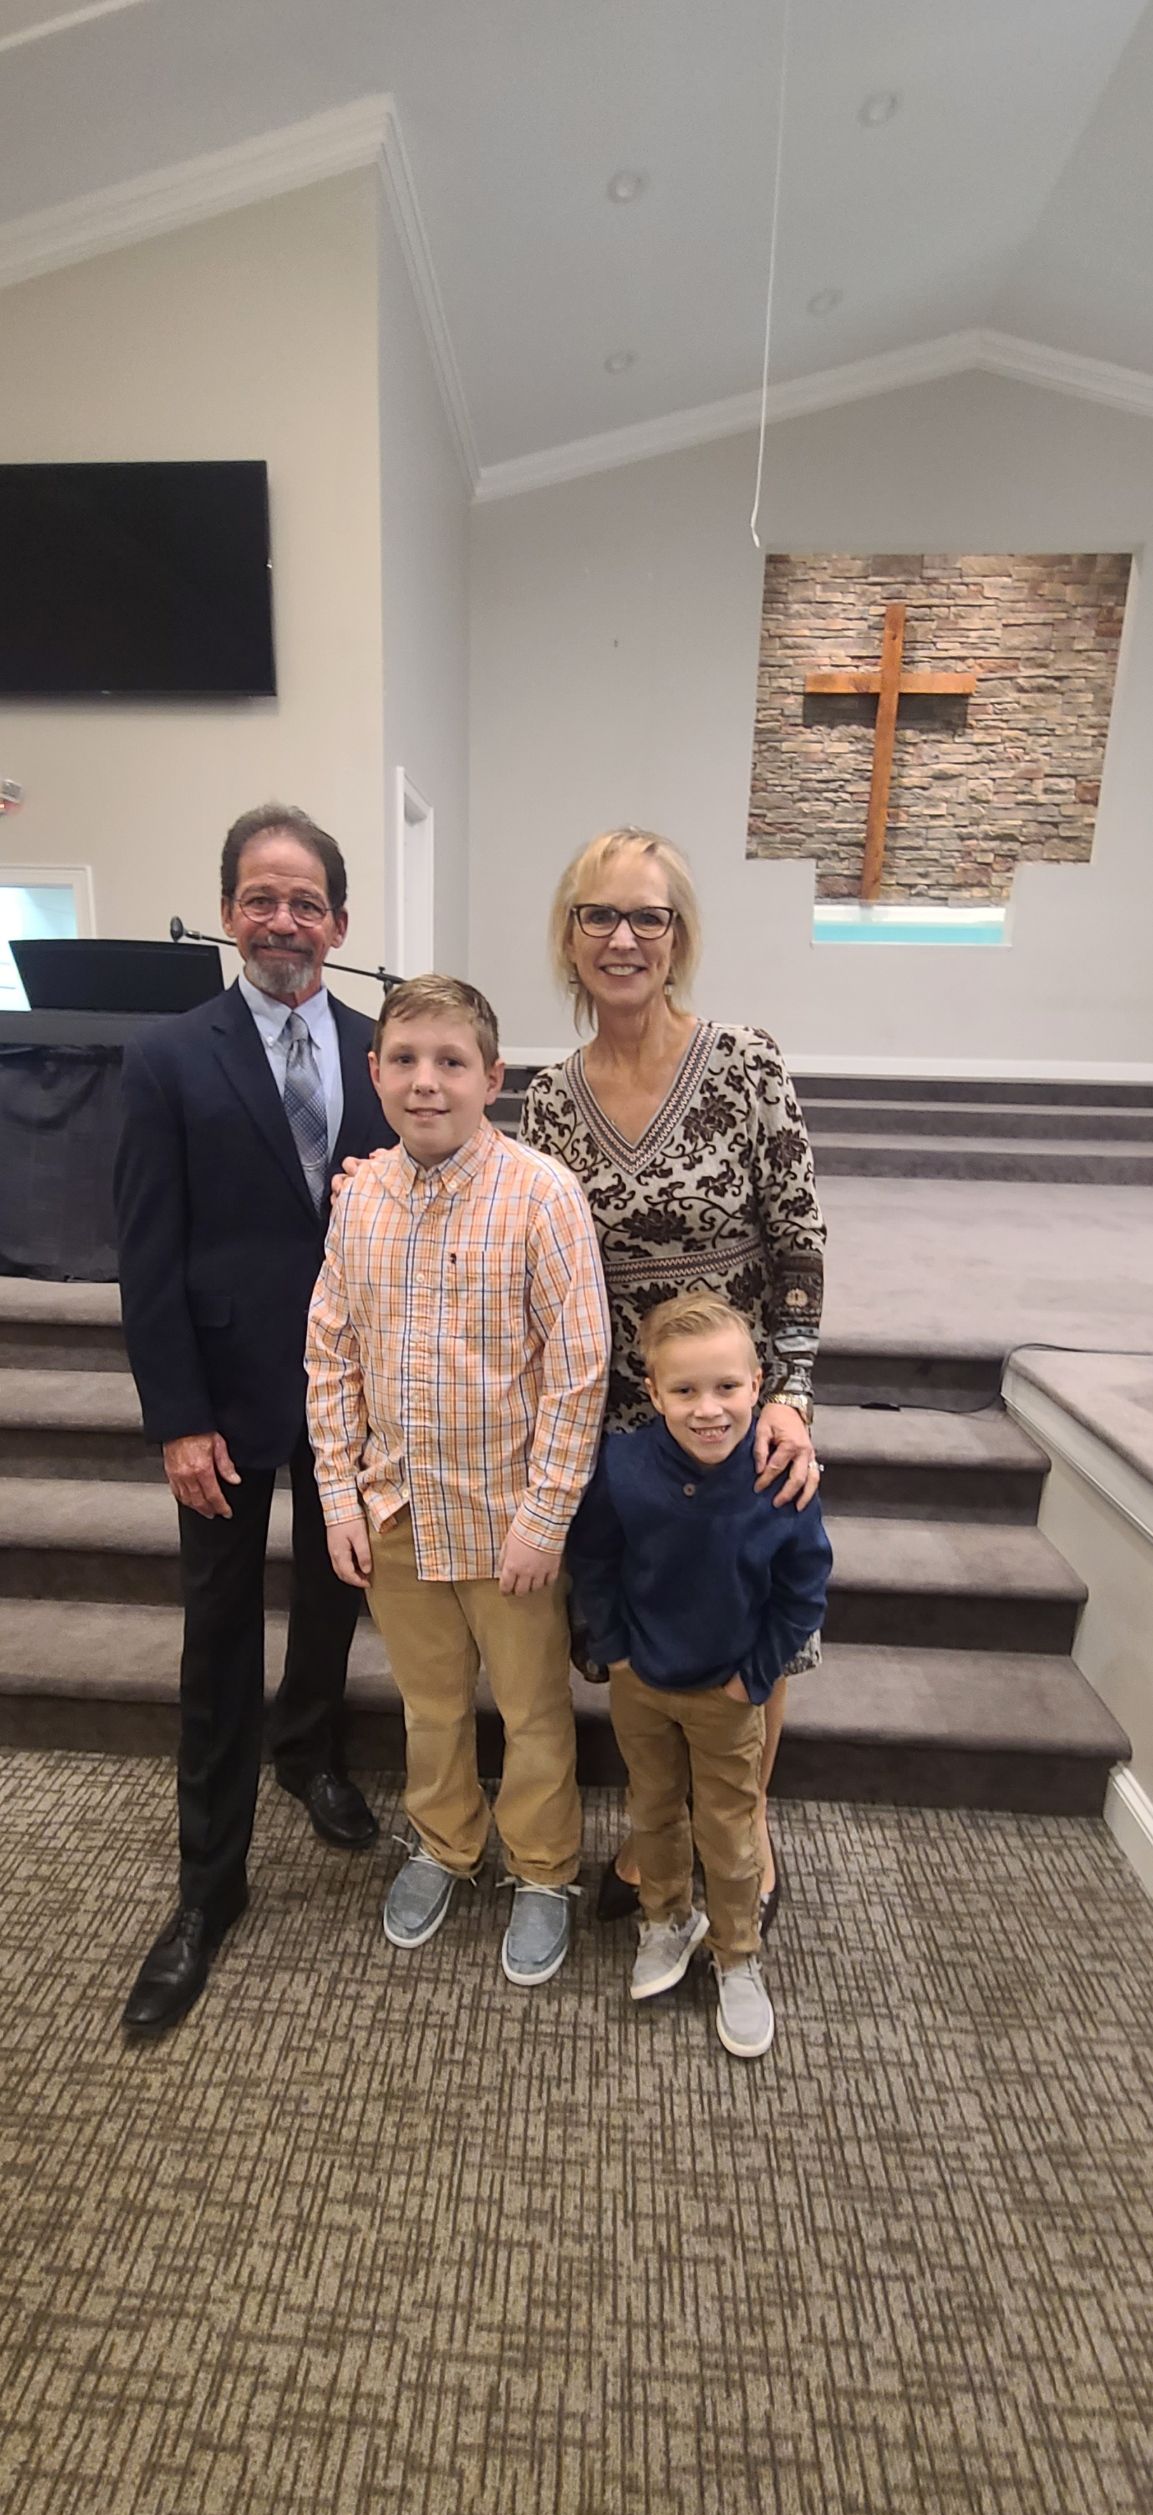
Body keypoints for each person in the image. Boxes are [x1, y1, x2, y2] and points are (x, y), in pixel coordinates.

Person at [114, 803, 396, 2038]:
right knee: (218, 1629)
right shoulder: (168, 1056)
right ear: (229, 911)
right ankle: (206, 1887)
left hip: (353, 1396)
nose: (282, 920)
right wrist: (175, 1417)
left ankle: (308, 1750)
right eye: (258, 897)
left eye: (305, 900)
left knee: (335, 1597)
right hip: (222, 1400)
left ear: (339, 920)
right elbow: (146, 1251)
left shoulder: (389, 1051)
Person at [520, 828, 826, 1930]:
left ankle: (740, 1828)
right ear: (569, 936)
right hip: (621, 1420)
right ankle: (663, 1832)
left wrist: (788, 1395)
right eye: (600, 914)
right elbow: (532, 1250)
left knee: (748, 1612)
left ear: (678, 936)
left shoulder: (745, 1061)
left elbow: (799, 1245)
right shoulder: (551, 1098)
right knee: (653, 1629)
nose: (623, 936)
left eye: (647, 916)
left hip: (735, 1407)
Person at [305, 973, 611, 1989]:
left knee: (528, 1711)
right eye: (404, 1060)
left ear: (493, 1077)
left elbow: (577, 1371)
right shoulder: (359, 1199)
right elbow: (330, 1356)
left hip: (508, 1518)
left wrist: (546, 1515)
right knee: (429, 1706)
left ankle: (543, 1868)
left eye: (449, 1062)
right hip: (398, 1510)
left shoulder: (541, 1195)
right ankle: (446, 1842)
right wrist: (340, 1498)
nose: (425, 1082)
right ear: (374, 1073)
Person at [568, 1291, 831, 2058]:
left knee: (728, 1829)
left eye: (726, 1388)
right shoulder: (622, 1467)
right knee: (650, 1811)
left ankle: (737, 1954)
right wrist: (615, 1651)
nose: (707, 1409)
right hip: (641, 1681)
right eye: (683, 1390)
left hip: (727, 1692)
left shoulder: (778, 1478)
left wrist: (753, 1678)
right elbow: (594, 1561)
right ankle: (665, 1919)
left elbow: (803, 1587)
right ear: (652, 1392)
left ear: (758, 1384)